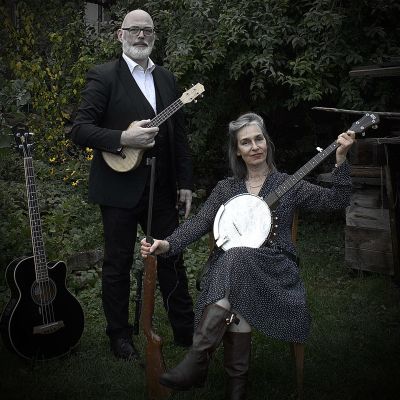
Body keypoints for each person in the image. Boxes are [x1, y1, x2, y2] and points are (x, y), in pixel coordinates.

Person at [141, 112, 355, 398]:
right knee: (236, 267)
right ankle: (234, 390)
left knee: (234, 261)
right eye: (245, 142)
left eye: (258, 139)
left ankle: (197, 361)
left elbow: (337, 200)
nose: (254, 146)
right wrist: (166, 244)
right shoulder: (226, 189)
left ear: (267, 143)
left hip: (275, 270)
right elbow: (199, 223)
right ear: (237, 151)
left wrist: (340, 159)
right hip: (235, 270)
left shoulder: (289, 184)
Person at [70, 9, 195, 361]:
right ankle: (119, 336)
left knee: (171, 256)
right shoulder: (104, 76)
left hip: (162, 187)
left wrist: (185, 182)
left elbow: (179, 136)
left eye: (147, 30)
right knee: (118, 263)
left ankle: (186, 330)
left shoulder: (167, 79)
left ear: (154, 35)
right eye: (134, 29)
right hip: (118, 186)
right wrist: (123, 138)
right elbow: (80, 129)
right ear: (120, 35)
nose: (141, 35)